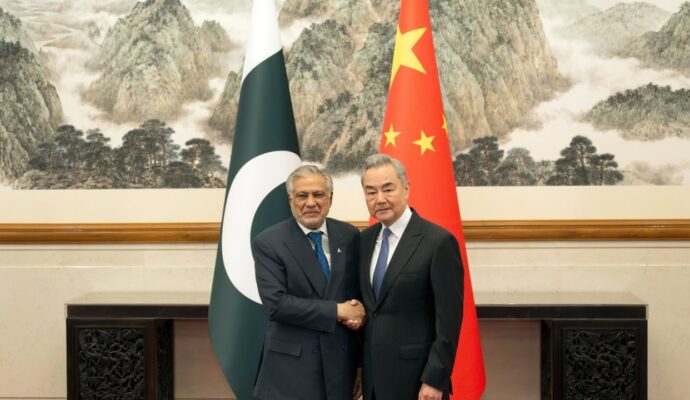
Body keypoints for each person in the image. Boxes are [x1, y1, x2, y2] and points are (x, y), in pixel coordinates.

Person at [253, 165, 365, 400]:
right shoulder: (269, 242)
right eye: (302, 195)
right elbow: (277, 305)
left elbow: (358, 296)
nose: (310, 203)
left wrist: (360, 362)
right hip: (291, 373)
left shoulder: (350, 235)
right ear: (290, 200)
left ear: (330, 198)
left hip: (341, 368)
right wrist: (338, 310)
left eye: (318, 194)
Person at [358, 154, 463, 400]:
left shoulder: (438, 242)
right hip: (373, 380)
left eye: (388, 189)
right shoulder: (363, 240)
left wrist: (435, 379)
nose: (380, 199)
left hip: (417, 381)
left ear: (406, 188)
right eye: (371, 192)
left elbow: (449, 322)